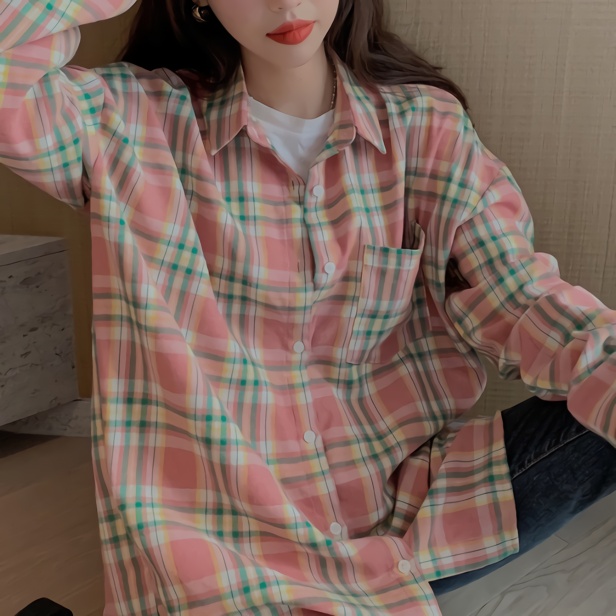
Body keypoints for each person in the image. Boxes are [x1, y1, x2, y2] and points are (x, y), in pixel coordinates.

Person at [1, 0, 614, 614]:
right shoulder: (129, 121)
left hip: (420, 517)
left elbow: (518, 295)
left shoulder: (425, 125)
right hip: (229, 543)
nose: (286, 2)